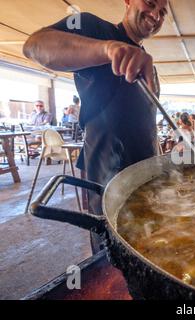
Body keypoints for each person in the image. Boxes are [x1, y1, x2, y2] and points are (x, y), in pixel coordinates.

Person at [23, 0, 168, 251]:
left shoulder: (148, 66)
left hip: (146, 175)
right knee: (113, 251)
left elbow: (147, 123)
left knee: (149, 246)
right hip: (106, 173)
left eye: (163, 12)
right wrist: (108, 49)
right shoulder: (94, 27)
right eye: (151, 3)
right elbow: (34, 45)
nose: (156, 14)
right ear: (128, 1)